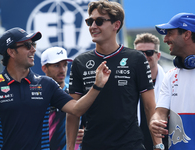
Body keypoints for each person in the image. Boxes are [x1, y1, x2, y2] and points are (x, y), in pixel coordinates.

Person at [66, 1, 161, 150]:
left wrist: (158, 144)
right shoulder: (80, 62)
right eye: (90, 21)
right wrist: (70, 147)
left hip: (130, 145)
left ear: (116, 25)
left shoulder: (136, 59)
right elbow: (72, 113)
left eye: (99, 21)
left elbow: (149, 107)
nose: (93, 26)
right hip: (93, 145)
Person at [0, 27, 111, 150]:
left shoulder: (46, 84)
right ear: (11, 52)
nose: (33, 49)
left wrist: (97, 85)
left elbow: (76, 109)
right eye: (27, 45)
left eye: (33, 44)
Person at [149, 12, 195, 150]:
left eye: (170, 33)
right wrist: (155, 121)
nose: (165, 39)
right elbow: (160, 112)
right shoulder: (170, 76)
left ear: (187, 34)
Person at [41, 47, 84, 150]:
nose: (62, 70)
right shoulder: (36, 95)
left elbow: (88, 124)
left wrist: (85, 133)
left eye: (65, 65)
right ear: (44, 68)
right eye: (56, 65)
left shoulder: (76, 95)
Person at [134, 33, 167, 150]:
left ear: (158, 56)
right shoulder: (126, 85)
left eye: (149, 53)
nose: (144, 56)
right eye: (139, 53)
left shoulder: (170, 83)